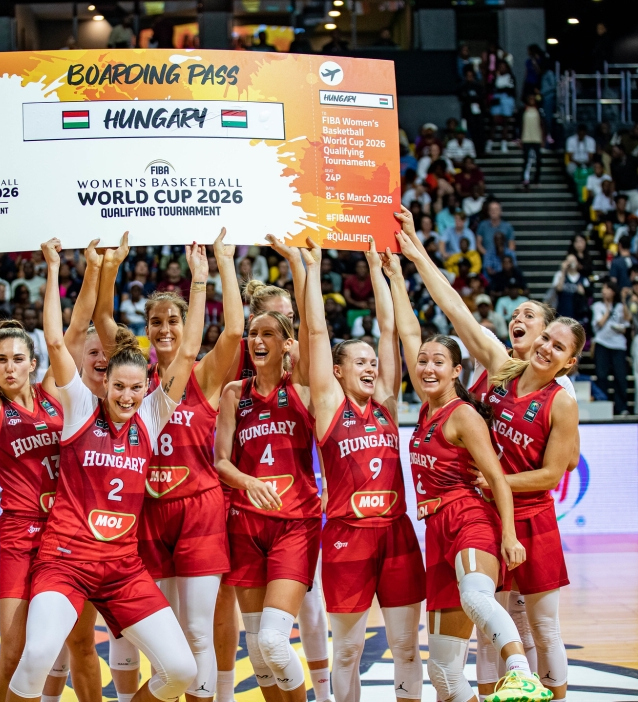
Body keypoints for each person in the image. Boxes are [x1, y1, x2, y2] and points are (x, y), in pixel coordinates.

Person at [3, 236, 204, 702]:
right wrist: (55, 267)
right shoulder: (78, 406)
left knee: (181, 670)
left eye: (136, 388)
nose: (127, 397)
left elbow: (189, 349)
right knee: (36, 658)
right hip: (65, 562)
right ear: (105, 381)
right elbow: (55, 339)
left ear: (146, 387)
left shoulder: (152, 418)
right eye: (119, 387)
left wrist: (199, 280)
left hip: (122, 569)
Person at [394, 208, 582, 702]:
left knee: (541, 625)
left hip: (525, 513)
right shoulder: (499, 369)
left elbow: (553, 474)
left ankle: (547, 693)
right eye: (528, 327)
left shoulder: (563, 401)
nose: (533, 335)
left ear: (566, 357)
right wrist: (415, 254)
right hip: (482, 508)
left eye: (540, 328)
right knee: (484, 621)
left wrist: (490, 480)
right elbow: (456, 310)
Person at [94, 230, 243, 702]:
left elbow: (235, 331)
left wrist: (212, 272)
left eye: (172, 321)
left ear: (186, 323)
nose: (164, 329)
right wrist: (110, 265)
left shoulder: (202, 374)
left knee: (197, 628)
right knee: (147, 631)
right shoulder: (135, 378)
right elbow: (100, 318)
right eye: (155, 321)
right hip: (147, 512)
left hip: (198, 508)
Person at [0, 241, 107, 702]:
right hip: (21, 535)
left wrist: (69, 268)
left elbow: (76, 327)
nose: (8, 366)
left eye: (17, 358)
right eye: (0, 359)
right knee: (13, 649)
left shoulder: (50, 394)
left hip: (68, 532)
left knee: (82, 644)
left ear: (33, 363)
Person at [301, 237, 425, 702]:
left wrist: (378, 269)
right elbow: (316, 334)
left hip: (396, 534)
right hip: (346, 537)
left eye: (374, 363)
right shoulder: (330, 403)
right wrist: (312, 269)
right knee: (348, 649)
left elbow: (389, 330)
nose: (371, 367)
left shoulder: (388, 404)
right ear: (337, 370)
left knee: (406, 648)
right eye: (360, 362)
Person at [214, 286, 318, 702]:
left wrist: (302, 267)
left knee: (274, 641)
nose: (256, 341)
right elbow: (222, 461)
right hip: (245, 524)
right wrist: (249, 482)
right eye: (252, 334)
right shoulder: (233, 394)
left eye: (268, 334)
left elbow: (315, 332)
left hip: (294, 523)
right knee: (257, 650)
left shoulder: (304, 387)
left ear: (287, 343)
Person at [591, 280, 631, 415]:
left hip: (618, 345)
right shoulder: (597, 306)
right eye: (603, 288)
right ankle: (603, 405)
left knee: (620, 377)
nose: (604, 291)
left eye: (607, 288)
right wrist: (608, 310)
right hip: (602, 343)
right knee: (601, 375)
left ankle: (621, 407)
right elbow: (599, 323)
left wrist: (624, 300)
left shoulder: (620, 306)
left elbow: (627, 321)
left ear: (613, 292)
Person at [521, 94, 544, 188]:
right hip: (526, 138)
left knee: (538, 160)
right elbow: (520, 125)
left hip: (536, 138)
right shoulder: (523, 111)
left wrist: (543, 138)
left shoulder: (539, 111)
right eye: (530, 98)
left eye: (533, 98)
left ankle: (536, 179)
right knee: (526, 160)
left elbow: (542, 125)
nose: (531, 100)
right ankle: (525, 179)